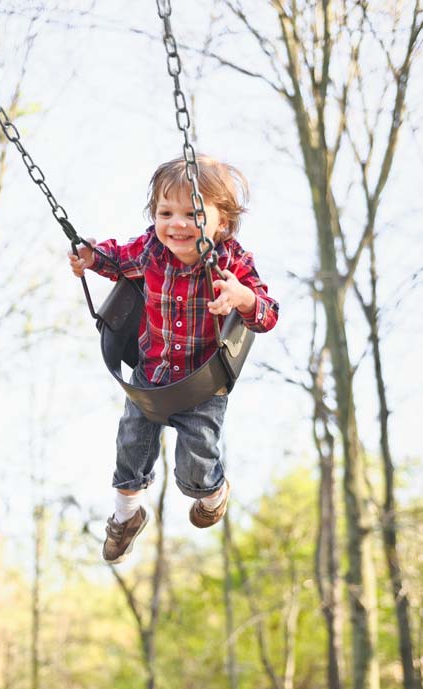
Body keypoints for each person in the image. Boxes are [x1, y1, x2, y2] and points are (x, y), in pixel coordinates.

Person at [69, 155, 279, 564]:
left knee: (193, 475)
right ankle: (126, 517)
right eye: (166, 212)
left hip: (202, 385)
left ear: (223, 223)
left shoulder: (231, 261)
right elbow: (115, 259)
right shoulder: (150, 250)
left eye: (193, 213)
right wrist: (91, 256)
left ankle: (214, 492)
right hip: (151, 375)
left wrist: (244, 298)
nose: (177, 224)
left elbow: (268, 313)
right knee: (129, 448)